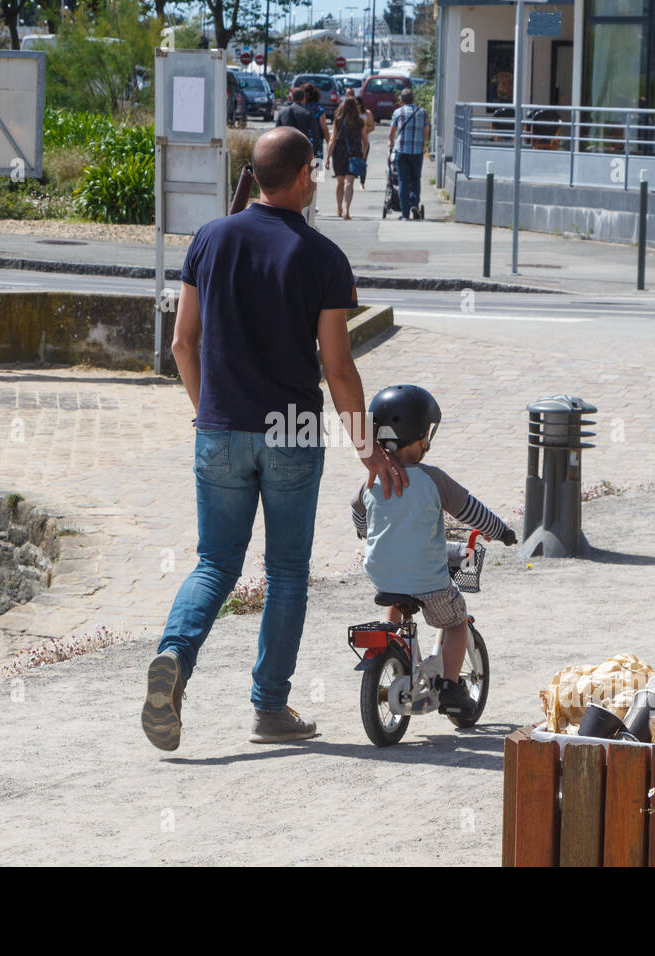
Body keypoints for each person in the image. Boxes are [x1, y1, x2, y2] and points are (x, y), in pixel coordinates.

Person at [142, 126, 409, 752]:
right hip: (292, 432)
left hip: (220, 430)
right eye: (312, 171)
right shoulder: (321, 256)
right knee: (286, 571)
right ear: (298, 176)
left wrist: (208, 411)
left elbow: (182, 343)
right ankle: (268, 707)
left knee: (215, 563)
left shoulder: (209, 239)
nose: (315, 181)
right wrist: (369, 449)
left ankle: (173, 659)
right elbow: (338, 367)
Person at [350, 385, 517, 719]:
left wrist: (365, 532)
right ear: (418, 438)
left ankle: (395, 643)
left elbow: (358, 513)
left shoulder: (371, 479)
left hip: (382, 575)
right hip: (429, 581)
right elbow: (472, 512)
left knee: (397, 597)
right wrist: (501, 531)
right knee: (455, 621)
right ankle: (452, 687)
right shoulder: (433, 480)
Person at [388, 89, 430, 220]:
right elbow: (426, 131)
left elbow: (392, 132)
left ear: (402, 100)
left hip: (401, 151)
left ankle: (405, 214)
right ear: (414, 99)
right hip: (417, 152)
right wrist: (423, 145)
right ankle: (414, 204)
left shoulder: (398, 112)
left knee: (403, 182)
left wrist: (390, 142)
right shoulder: (422, 112)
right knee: (415, 180)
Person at [326, 97, 363, 219]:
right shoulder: (360, 122)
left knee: (340, 181)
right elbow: (366, 141)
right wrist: (363, 153)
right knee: (349, 181)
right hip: (354, 153)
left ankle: (339, 208)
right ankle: (347, 210)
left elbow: (332, 140)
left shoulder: (337, 121)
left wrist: (327, 157)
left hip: (339, 153)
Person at [355, 95, 373, 189]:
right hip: (353, 141)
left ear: (361, 104)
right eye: (354, 104)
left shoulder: (367, 113)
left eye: (357, 104)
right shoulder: (351, 113)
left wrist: (364, 131)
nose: (356, 106)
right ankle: (350, 179)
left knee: (363, 161)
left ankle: (362, 183)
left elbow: (372, 127)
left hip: (364, 141)